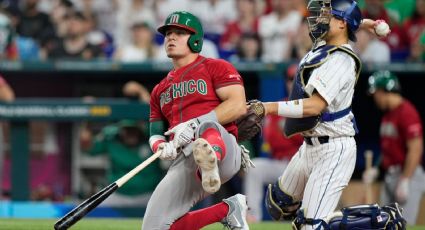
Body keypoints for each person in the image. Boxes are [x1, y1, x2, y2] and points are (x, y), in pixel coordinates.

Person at [256, 0, 405, 229]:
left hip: (333, 149)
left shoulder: (341, 60)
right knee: (278, 202)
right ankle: (319, 217)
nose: (319, 20)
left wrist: (267, 107)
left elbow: (314, 106)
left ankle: (379, 221)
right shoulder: (327, 41)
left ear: (341, 24)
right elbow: (347, 24)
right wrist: (365, 23)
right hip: (309, 147)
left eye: (327, 16)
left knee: (310, 226)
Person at [143, 11, 252, 229]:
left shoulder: (216, 66)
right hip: (184, 159)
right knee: (153, 226)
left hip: (223, 146)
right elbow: (155, 131)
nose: (171, 37)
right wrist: (160, 146)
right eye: (168, 33)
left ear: (195, 39)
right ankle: (227, 210)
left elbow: (238, 105)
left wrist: (194, 124)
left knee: (206, 126)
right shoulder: (159, 90)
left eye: (180, 33)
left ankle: (209, 161)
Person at [243, 65, 303, 223]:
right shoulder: (279, 106)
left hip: (302, 166)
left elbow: (305, 140)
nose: (293, 83)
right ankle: (252, 217)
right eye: (290, 79)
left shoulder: (311, 106)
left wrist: (287, 133)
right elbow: (272, 141)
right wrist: (290, 133)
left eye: (297, 79)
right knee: (254, 167)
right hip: (280, 164)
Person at [364, 70, 424, 225]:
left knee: (401, 225)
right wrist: (377, 169)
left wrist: (405, 179)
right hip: (390, 176)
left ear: (385, 91)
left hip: (407, 174)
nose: (375, 98)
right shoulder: (388, 114)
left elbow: (416, 149)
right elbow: (387, 148)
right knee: (385, 224)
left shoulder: (407, 112)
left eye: (376, 93)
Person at [80, 119, 163, 207]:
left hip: (148, 195)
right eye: (127, 130)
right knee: (97, 210)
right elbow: (87, 146)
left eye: (133, 130)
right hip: (118, 195)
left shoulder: (152, 139)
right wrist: (88, 119)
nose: (130, 133)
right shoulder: (111, 139)